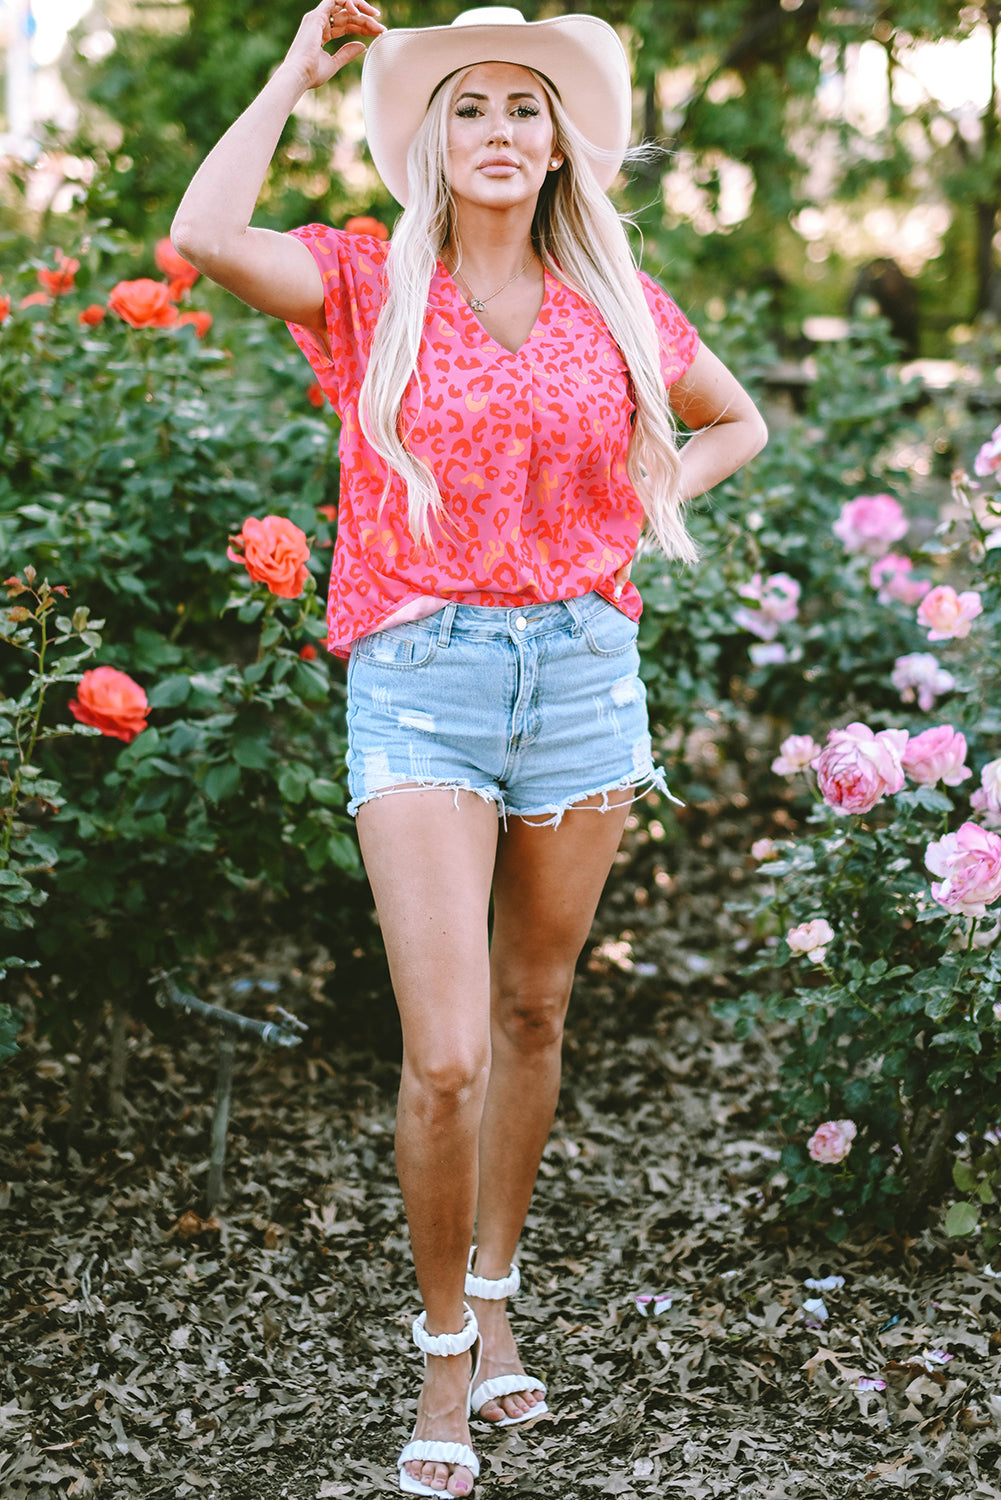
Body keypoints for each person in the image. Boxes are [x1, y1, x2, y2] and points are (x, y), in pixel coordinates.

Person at [172, 4, 767, 1494]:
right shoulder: (368, 280)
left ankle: (498, 1307)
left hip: (580, 672)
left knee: (531, 1017)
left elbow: (735, 420)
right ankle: (443, 1350)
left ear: (560, 138)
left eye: (524, 108)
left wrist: (650, 499)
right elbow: (201, 232)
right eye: (467, 108)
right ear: (430, 140)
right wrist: (290, 74)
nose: (498, 131)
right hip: (420, 679)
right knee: (441, 1058)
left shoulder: (613, 297)